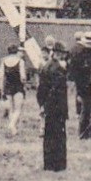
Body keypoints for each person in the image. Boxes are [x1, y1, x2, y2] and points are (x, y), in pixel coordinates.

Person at [36, 41, 69, 172]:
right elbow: (58, 91)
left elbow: (41, 90)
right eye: (62, 54)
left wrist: (42, 105)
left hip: (48, 106)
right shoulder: (59, 69)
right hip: (57, 107)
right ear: (57, 53)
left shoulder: (46, 67)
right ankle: (59, 165)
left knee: (49, 136)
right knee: (59, 137)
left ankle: (48, 164)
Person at [69, 32, 91, 140]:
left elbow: (76, 72)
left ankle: (83, 133)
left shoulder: (79, 53)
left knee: (84, 110)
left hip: (83, 86)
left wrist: (78, 89)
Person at [0, 42, 27, 137]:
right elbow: (22, 77)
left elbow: (2, 76)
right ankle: (12, 125)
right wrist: (24, 85)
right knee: (18, 109)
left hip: (8, 86)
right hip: (18, 86)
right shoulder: (20, 61)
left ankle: (13, 129)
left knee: (11, 109)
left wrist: (1, 89)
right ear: (16, 52)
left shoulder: (3, 61)